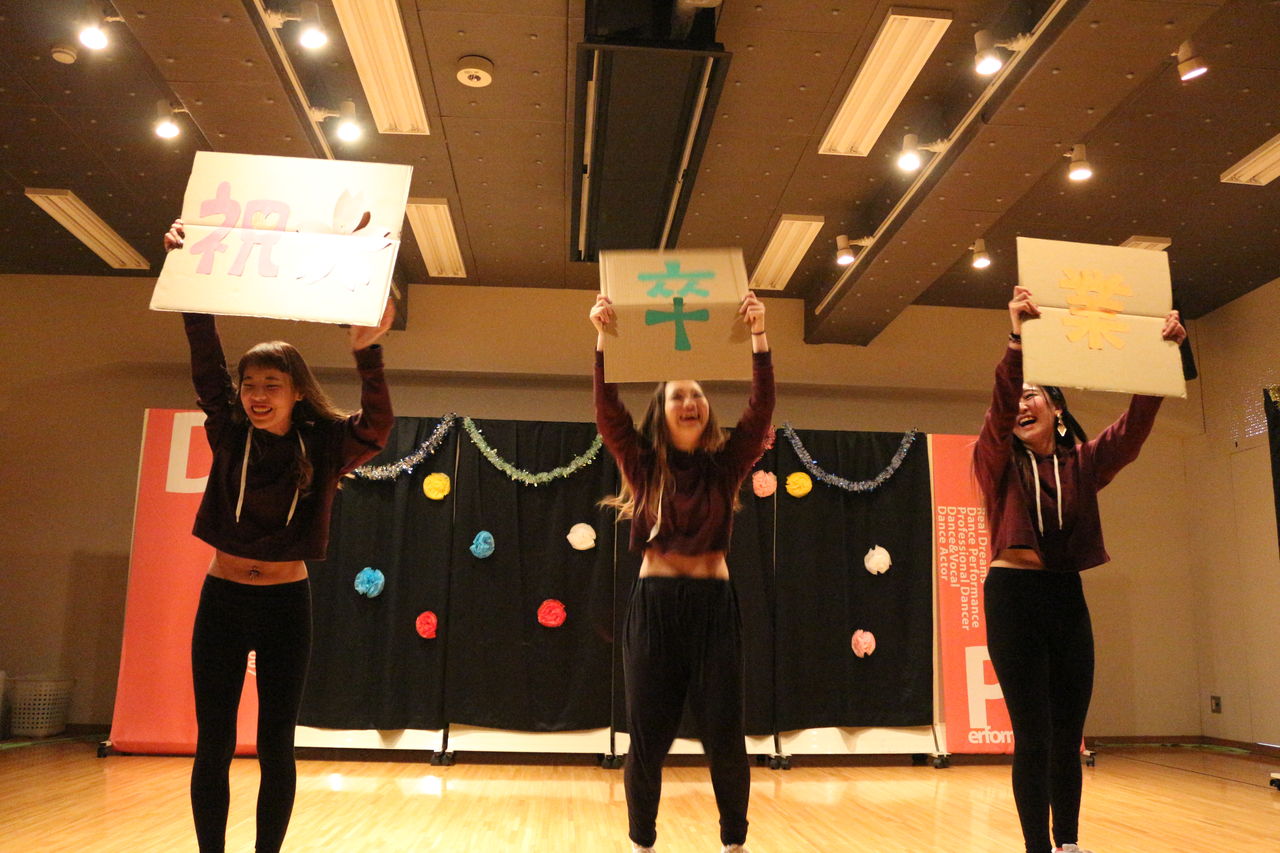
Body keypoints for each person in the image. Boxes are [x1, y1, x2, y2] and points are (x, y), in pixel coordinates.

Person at [164, 220, 395, 853]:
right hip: (223, 600)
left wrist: (368, 353)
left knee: (275, 745)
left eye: (272, 385)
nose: (257, 395)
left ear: (296, 391)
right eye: (249, 385)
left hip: (285, 605)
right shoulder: (228, 431)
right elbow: (205, 363)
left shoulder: (324, 445)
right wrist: (188, 275)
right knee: (213, 743)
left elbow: (377, 426)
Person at [973, 284, 1187, 853]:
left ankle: (1067, 844)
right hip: (1013, 596)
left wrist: (1162, 358)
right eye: (1018, 397)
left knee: (1069, 733)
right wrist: (1016, 340)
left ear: (1058, 409)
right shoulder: (995, 460)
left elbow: (1132, 430)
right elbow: (998, 407)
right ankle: (1036, 849)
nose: (1022, 404)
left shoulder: (1083, 462)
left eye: (1034, 395)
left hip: (1066, 597)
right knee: (1033, 734)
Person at [590, 291, 773, 853]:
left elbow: (760, 410)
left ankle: (734, 843)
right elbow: (608, 412)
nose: (690, 402)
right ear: (662, 411)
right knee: (647, 739)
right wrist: (602, 339)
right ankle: (641, 844)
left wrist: (759, 337)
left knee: (726, 738)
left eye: (697, 394)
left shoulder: (725, 465)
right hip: (656, 611)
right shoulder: (643, 465)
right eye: (678, 395)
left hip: (714, 612)